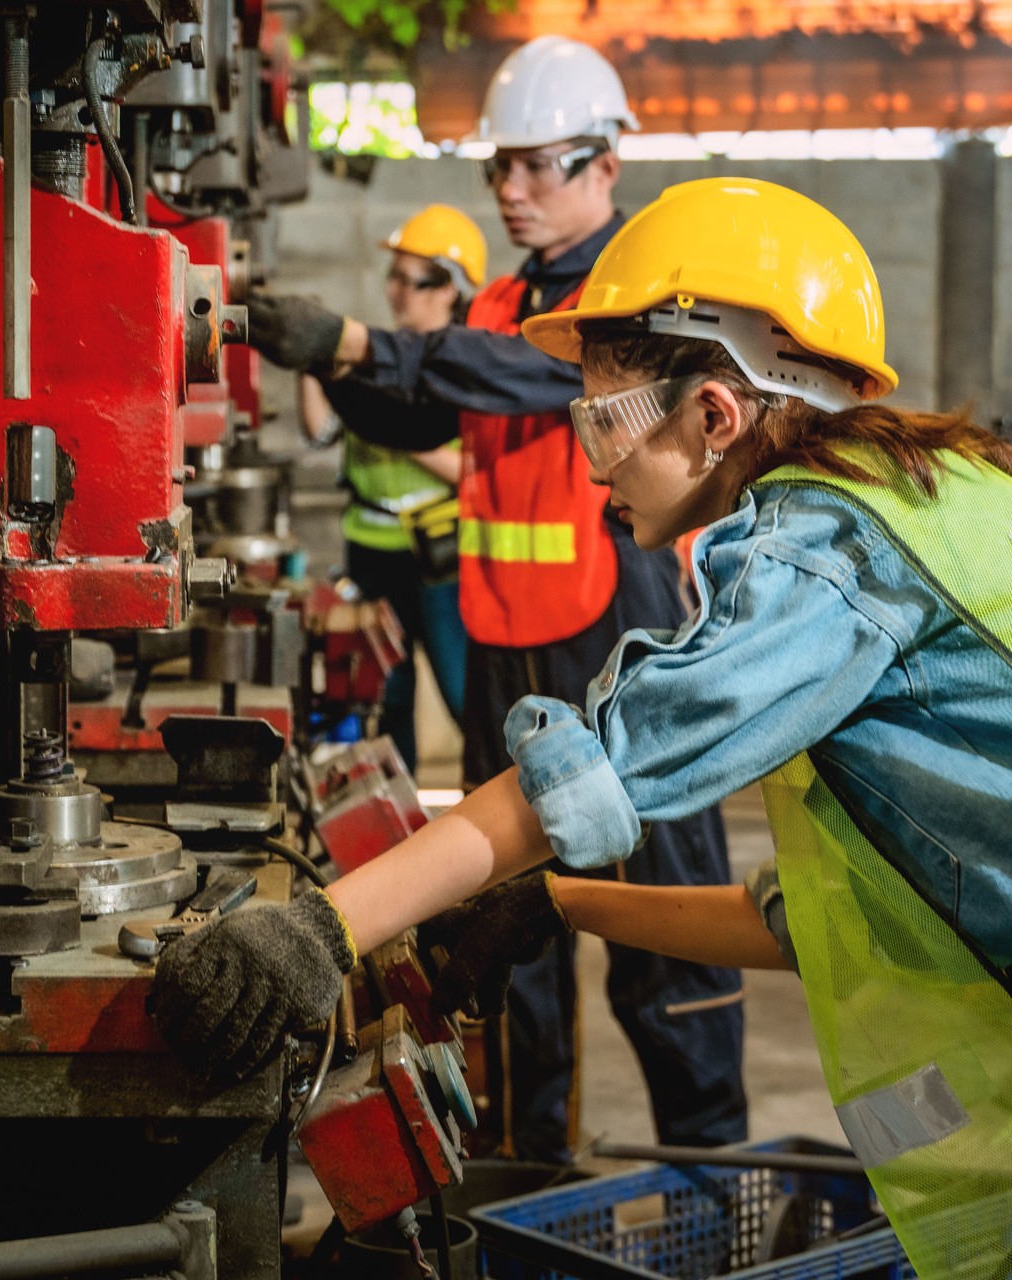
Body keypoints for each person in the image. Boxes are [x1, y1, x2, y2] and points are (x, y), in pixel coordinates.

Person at [156, 178, 1012, 1278]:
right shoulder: (896, 497)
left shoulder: (822, 551)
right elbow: (816, 920)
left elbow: (598, 766)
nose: (594, 463)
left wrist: (317, 934)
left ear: (714, 412)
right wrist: (558, 904)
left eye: (603, 424)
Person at [240, 36, 747, 1161]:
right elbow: (430, 409)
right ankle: (524, 1172)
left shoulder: (640, 291)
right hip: (509, 641)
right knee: (508, 930)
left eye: (536, 165)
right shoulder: (513, 288)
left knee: (667, 935)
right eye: (498, 169)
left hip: (624, 632)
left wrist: (369, 339)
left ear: (605, 162)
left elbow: (527, 373)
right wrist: (327, 359)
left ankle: (716, 1172)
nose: (510, 189)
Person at [299, 205, 479, 773]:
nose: (397, 291)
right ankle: (403, 838)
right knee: (386, 694)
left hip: (442, 556)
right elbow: (323, 430)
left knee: (461, 688)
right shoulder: (377, 357)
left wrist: (395, 431)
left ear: (450, 288)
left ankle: (496, 819)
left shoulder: (476, 366)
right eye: (393, 278)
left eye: (412, 280)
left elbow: (475, 470)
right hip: (372, 555)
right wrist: (313, 360)